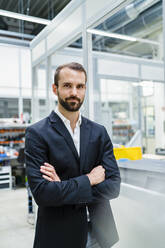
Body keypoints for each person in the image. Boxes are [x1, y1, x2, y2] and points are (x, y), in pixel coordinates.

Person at [25, 62, 121, 248]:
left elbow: (114, 186)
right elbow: (43, 194)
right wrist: (89, 179)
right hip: (59, 236)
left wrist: (63, 187)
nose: (74, 93)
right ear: (55, 89)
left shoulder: (98, 132)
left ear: (85, 89)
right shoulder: (37, 134)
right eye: (67, 85)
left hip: (100, 234)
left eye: (80, 86)